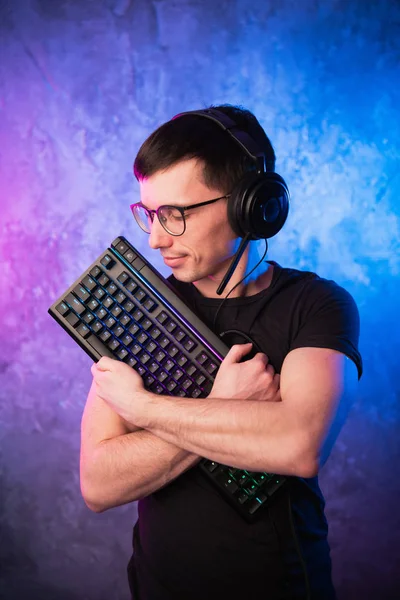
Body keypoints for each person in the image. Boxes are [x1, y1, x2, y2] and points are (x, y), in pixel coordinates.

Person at [80, 104, 363, 600]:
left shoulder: (317, 306)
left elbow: (299, 445)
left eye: (175, 215)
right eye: (149, 213)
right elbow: (99, 483)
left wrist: (144, 409)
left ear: (249, 206)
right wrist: (221, 406)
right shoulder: (140, 307)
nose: (155, 237)